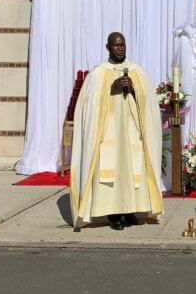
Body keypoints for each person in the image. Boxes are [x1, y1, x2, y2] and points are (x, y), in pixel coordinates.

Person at [70, 31, 164, 231]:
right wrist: (109, 91)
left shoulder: (136, 71)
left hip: (131, 133)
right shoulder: (98, 74)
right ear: (108, 47)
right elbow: (88, 106)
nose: (120, 49)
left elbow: (149, 102)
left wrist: (134, 89)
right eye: (116, 45)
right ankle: (113, 214)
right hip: (108, 135)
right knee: (110, 171)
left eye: (122, 45)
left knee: (131, 169)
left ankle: (130, 210)